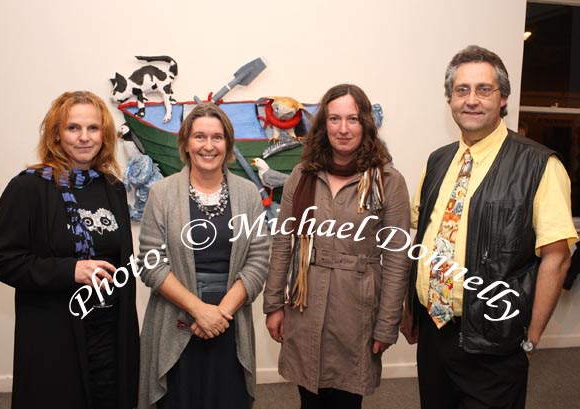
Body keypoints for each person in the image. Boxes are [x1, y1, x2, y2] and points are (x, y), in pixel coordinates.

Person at [401, 45, 578, 409]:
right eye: (462, 90)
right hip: (435, 335)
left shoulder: (539, 165)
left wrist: (529, 339)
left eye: (484, 89)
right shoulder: (438, 161)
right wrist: (410, 307)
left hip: (496, 341)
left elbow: (557, 258)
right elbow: (422, 237)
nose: (471, 100)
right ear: (450, 98)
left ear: (503, 98)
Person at [0, 91, 139, 409]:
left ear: (105, 134)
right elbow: (2, 261)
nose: (84, 137)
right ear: (56, 133)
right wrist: (69, 270)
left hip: (110, 335)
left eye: (93, 128)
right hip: (55, 335)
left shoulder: (112, 187)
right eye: (73, 128)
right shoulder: (28, 187)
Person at [263, 84, 411, 408]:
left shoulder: (388, 181)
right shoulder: (302, 176)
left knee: (344, 400)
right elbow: (283, 243)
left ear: (366, 124)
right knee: (309, 400)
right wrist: (273, 304)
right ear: (323, 125)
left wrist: (387, 323)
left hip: (356, 311)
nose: (343, 129)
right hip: (304, 305)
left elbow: (398, 259)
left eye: (353, 119)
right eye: (334, 119)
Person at [137, 103, 270, 409]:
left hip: (230, 319)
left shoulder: (248, 193)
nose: (208, 146)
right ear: (185, 143)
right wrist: (199, 310)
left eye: (217, 137)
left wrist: (220, 313)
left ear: (228, 144)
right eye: (199, 137)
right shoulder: (162, 193)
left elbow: (259, 259)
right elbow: (151, 263)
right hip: (176, 319)